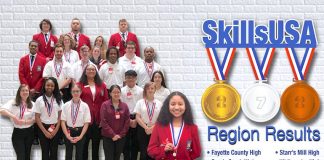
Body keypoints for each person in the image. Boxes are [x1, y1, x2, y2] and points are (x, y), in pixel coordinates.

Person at [147, 91, 201, 160]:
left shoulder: (193, 128)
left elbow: (197, 152)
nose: (176, 108)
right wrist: (163, 149)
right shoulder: (158, 126)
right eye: (173, 104)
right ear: (167, 106)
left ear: (186, 107)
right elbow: (151, 150)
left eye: (180, 104)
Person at [19, 40, 47, 145]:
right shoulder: (23, 59)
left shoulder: (43, 60)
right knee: (27, 114)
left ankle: (36, 137)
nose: (33, 47)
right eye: (32, 46)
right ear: (29, 47)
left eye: (35, 46)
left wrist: (35, 89)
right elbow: (21, 74)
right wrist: (27, 89)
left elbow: (43, 77)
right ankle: (27, 136)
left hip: (37, 92)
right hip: (25, 92)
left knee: (37, 115)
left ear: (38, 48)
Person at [78, 64, 108, 160]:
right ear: (85, 72)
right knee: (84, 145)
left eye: (93, 69)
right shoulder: (79, 85)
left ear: (96, 71)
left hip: (97, 120)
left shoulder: (102, 85)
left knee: (96, 145)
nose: (91, 71)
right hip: (85, 120)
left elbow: (106, 102)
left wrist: (103, 120)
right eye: (89, 69)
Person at [0, 85, 35, 160]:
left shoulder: (32, 104)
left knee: (27, 156)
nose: (25, 92)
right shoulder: (13, 102)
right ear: (19, 92)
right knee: (21, 157)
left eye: (26, 90)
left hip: (30, 132)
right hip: (18, 133)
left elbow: (36, 118)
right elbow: (2, 110)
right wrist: (14, 117)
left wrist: (27, 121)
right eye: (23, 90)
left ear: (29, 92)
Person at [34, 77, 63, 160]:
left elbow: (60, 117)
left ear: (55, 87)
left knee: (54, 152)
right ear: (44, 86)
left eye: (52, 85)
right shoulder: (39, 100)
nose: (49, 87)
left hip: (55, 127)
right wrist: (45, 132)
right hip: (42, 128)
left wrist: (55, 130)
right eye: (48, 85)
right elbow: (37, 117)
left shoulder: (59, 99)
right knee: (45, 152)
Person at [61, 84, 91, 160]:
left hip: (80, 132)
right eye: (73, 91)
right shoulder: (65, 105)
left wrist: (80, 136)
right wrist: (67, 136)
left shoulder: (85, 106)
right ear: (71, 92)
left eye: (77, 91)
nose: (75, 93)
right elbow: (62, 121)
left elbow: (86, 123)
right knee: (68, 154)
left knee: (79, 155)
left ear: (80, 92)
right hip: (68, 131)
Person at [100, 85, 130, 160]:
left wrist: (120, 135)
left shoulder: (124, 106)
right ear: (110, 93)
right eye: (114, 92)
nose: (116, 94)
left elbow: (127, 121)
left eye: (118, 92)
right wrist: (112, 135)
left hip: (120, 137)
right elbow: (103, 121)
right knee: (109, 157)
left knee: (117, 157)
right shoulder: (105, 105)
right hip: (108, 137)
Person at [134, 82, 162, 160]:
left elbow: (161, 119)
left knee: (154, 151)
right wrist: (146, 128)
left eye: (152, 88)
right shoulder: (140, 102)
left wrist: (152, 128)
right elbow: (137, 117)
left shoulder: (159, 103)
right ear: (145, 90)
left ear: (155, 90)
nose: (150, 90)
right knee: (143, 152)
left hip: (155, 129)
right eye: (148, 88)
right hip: (142, 129)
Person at [121, 70, 143, 160]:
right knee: (125, 142)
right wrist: (128, 120)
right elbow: (120, 106)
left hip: (137, 117)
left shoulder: (141, 90)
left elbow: (142, 106)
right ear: (125, 79)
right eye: (128, 77)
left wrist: (136, 120)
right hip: (125, 117)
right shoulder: (121, 91)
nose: (130, 79)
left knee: (135, 142)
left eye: (132, 77)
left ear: (136, 79)